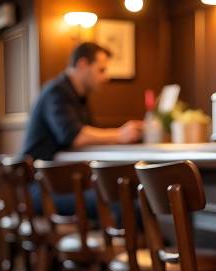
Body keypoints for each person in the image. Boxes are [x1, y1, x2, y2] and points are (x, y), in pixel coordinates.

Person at [20, 42, 143, 216]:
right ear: (83, 64)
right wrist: (120, 134)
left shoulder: (78, 97)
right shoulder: (56, 92)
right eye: (101, 70)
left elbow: (89, 132)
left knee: (125, 198)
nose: (105, 77)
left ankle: (123, 242)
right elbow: (73, 135)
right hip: (39, 187)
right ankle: (123, 243)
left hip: (58, 184)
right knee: (121, 202)